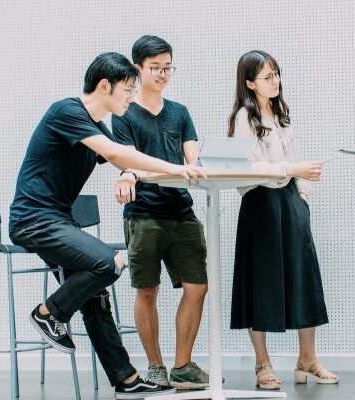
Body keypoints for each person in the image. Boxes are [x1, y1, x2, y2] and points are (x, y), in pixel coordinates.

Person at [9, 52, 206, 398]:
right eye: (128, 90)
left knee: (95, 297)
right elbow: (116, 154)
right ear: (105, 86)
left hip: (59, 219)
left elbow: (126, 160)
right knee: (108, 262)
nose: (132, 98)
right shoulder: (66, 112)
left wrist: (137, 173)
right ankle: (48, 312)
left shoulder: (96, 127)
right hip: (34, 218)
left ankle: (126, 379)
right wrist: (174, 167)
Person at [227, 50, 338, 390]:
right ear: (250, 83)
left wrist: (301, 196)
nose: (275, 81)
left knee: (304, 276)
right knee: (261, 281)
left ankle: (308, 359)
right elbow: (248, 169)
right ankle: (262, 363)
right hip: (261, 204)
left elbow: (296, 160)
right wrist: (292, 170)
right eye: (267, 76)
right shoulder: (244, 118)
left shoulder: (280, 113)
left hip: (290, 201)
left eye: (276, 74)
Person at [112, 35, 210, 390]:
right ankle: (155, 366)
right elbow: (126, 159)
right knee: (146, 290)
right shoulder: (124, 114)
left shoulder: (179, 112)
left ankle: (182, 364)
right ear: (138, 68)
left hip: (182, 212)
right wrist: (129, 173)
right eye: (155, 68)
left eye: (168, 67)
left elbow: (192, 159)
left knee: (198, 286)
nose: (163, 74)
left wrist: (203, 165)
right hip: (143, 214)